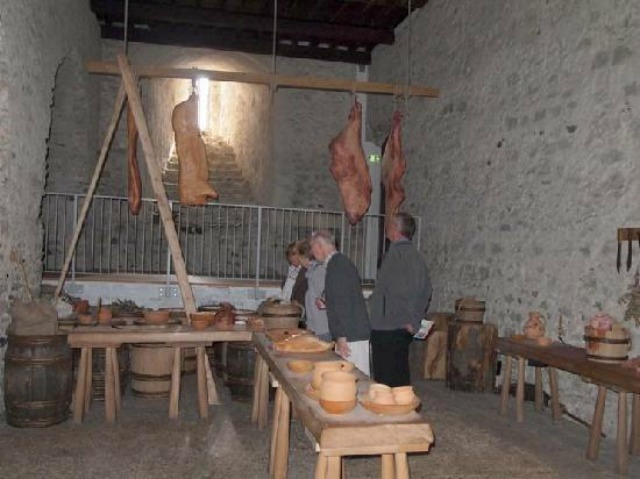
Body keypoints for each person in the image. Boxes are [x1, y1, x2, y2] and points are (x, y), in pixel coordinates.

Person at [368, 213, 432, 387]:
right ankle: (397, 410)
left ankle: (392, 412)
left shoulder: (401, 255)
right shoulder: (409, 255)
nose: (386, 228)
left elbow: (410, 290)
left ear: (396, 229)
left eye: (389, 224)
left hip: (390, 327)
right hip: (391, 326)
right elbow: (425, 290)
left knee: (388, 379)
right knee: (397, 375)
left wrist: (412, 320)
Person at [310, 230, 371, 375]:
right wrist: (328, 303)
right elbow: (341, 298)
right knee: (346, 379)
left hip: (351, 335)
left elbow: (344, 303)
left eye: (313, 248)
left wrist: (341, 337)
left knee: (356, 379)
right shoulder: (338, 263)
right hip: (351, 332)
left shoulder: (338, 266)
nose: (312, 253)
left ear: (319, 246)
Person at [297, 243, 331, 341]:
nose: (299, 261)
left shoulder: (319, 272)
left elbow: (325, 299)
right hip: (315, 326)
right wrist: (309, 326)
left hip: (323, 327)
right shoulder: (311, 272)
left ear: (304, 257)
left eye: (299, 257)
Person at [279, 241, 307, 306]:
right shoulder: (291, 270)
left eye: (294, 254)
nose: (291, 257)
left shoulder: (305, 271)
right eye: (289, 255)